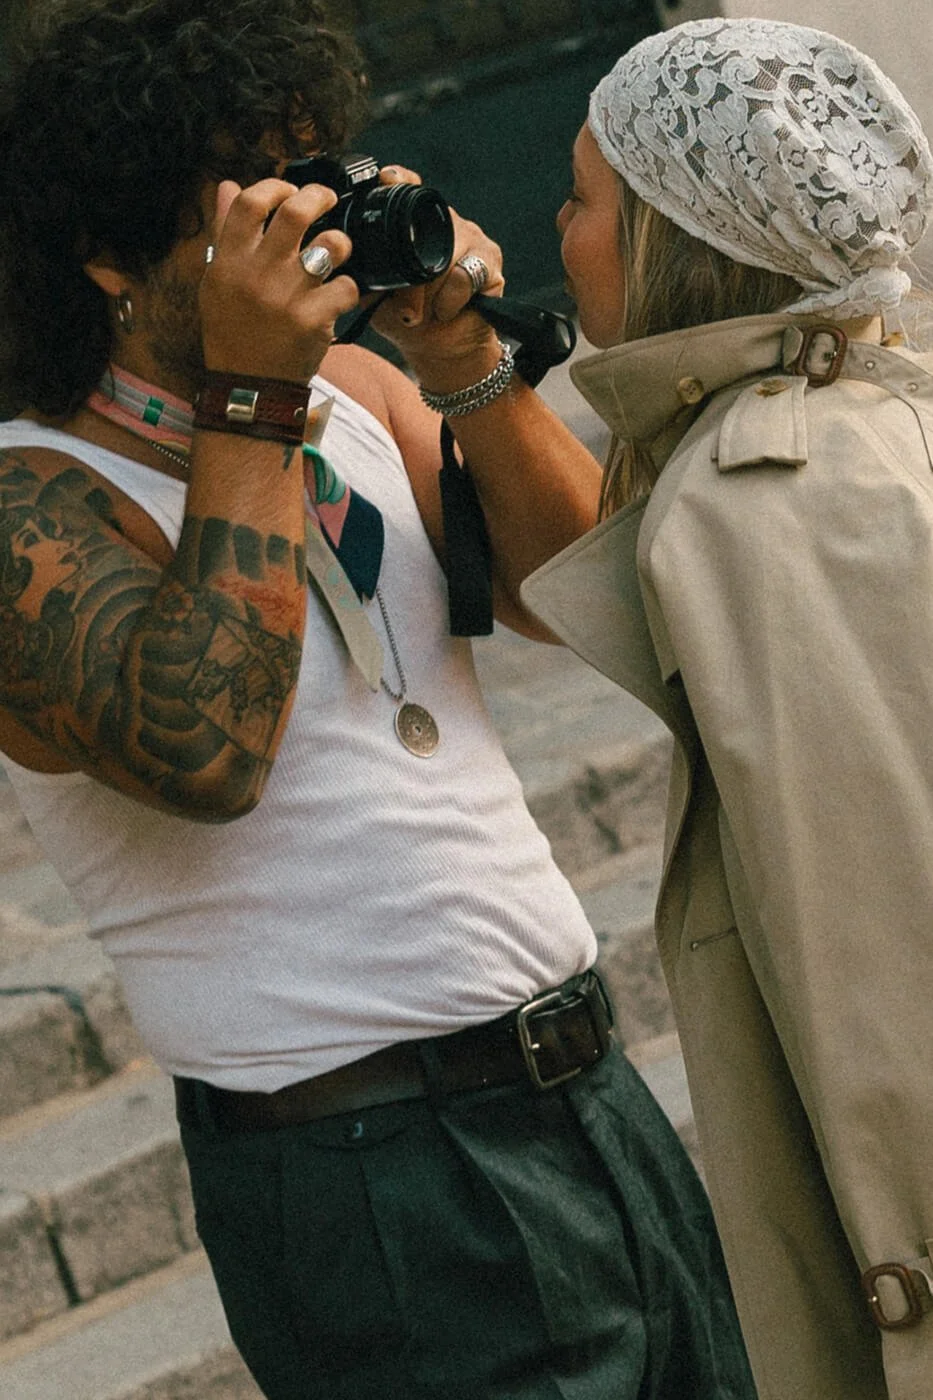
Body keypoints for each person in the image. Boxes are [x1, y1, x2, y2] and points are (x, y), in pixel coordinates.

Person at [0, 2, 756, 1397]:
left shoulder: (355, 393)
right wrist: (250, 401)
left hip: (584, 1096)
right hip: (365, 1174)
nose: (307, 237)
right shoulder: (37, 500)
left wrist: (458, 352)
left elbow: (607, 605)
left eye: (315, 180)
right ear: (111, 259)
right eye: (252, 210)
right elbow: (205, 747)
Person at [522, 16, 933, 1400]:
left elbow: (870, 944)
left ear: (666, 237)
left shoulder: (762, 500)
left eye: (583, 199)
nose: (555, 230)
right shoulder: (876, 418)